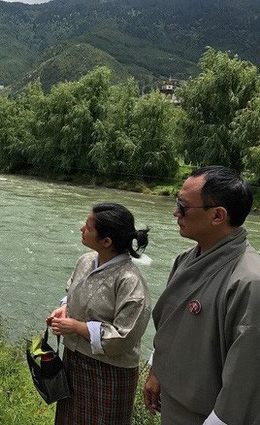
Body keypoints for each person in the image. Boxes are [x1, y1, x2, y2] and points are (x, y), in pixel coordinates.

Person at [144, 166, 260, 425]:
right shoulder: (185, 259)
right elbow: (171, 326)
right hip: (173, 404)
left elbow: (248, 375)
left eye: (183, 206)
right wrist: (157, 371)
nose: (176, 212)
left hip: (210, 416)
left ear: (218, 215)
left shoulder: (250, 280)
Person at [48, 203, 151, 425]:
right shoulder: (86, 260)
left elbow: (124, 337)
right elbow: (73, 292)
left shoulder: (130, 280)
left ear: (106, 241)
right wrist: (64, 309)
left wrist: (75, 327)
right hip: (74, 360)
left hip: (109, 372)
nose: (81, 229)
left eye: (87, 227)